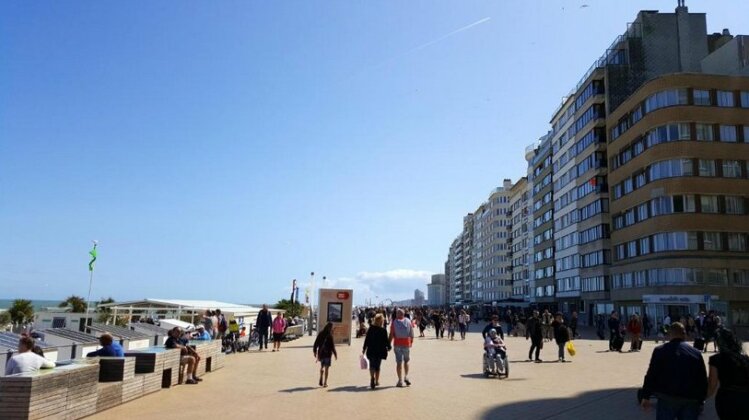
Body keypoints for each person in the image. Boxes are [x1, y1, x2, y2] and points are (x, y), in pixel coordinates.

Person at [640, 322, 707, 419]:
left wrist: (646, 396)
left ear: (670, 334)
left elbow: (651, 375)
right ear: (684, 334)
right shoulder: (695, 353)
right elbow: (702, 379)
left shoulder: (659, 351)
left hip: (667, 397)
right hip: (690, 399)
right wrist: (701, 400)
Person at [707, 328, 749, 419]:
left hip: (727, 398)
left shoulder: (716, 359)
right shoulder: (744, 358)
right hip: (745, 398)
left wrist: (703, 399)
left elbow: (712, 384)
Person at [362, 313, 390, 390]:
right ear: (381, 321)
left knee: (372, 365)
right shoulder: (383, 330)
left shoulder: (371, 329)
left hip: (371, 350)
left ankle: (372, 378)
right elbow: (386, 341)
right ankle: (377, 381)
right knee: (378, 366)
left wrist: (364, 349)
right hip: (380, 350)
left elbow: (366, 340)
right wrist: (389, 347)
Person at [390, 308, 414, 387]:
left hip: (397, 344)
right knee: (406, 361)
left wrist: (388, 344)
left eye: (397, 313)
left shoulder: (394, 322)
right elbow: (411, 333)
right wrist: (411, 342)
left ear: (398, 314)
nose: (396, 314)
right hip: (406, 343)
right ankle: (406, 376)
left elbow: (391, 334)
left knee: (399, 362)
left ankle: (400, 381)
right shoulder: (408, 321)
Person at [313, 322, 337, 387]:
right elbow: (332, 346)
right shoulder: (330, 335)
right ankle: (325, 382)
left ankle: (321, 375)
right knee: (327, 368)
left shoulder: (321, 333)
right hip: (328, 354)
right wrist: (335, 354)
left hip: (321, 353)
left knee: (322, 366)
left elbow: (316, 343)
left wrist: (314, 351)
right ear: (330, 328)